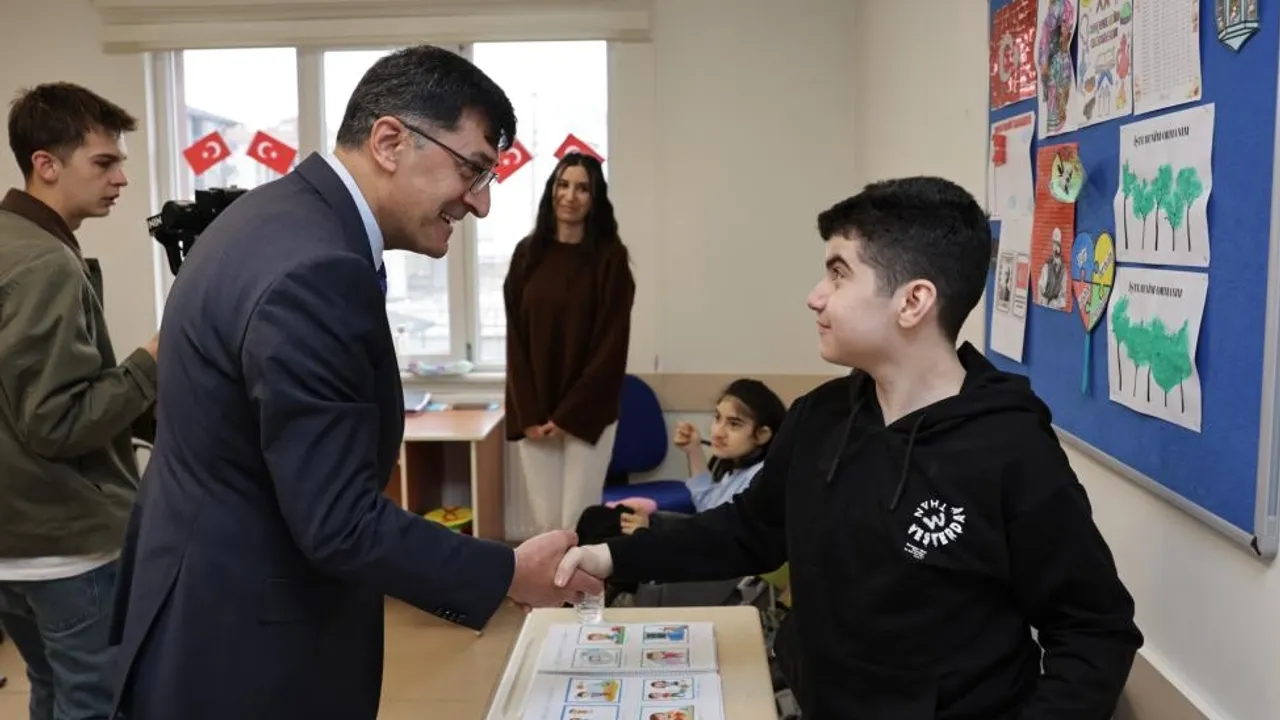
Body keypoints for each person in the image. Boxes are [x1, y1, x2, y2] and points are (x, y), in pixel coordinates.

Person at [108, 46, 599, 720]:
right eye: (472, 169)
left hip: (199, 607)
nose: (481, 203)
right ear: (390, 141)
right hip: (247, 652)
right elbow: (338, 522)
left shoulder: (268, 218)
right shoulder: (316, 269)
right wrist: (508, 572)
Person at [556, 177, 1143, 718]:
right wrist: (612, 557)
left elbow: (1094, 630)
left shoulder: (1011, 449)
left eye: (839, 274)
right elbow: (749, 530)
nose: (816, 297)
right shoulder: (820, 417)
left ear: (912, 302)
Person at [0, 82, 158, 720]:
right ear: (46, 164)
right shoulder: (45, 264)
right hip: (64, 547)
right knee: (94, 703)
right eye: (104, 162)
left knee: (51, 689)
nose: (121, 178)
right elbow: (57, 422)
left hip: (14, 542)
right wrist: (151, 362)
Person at [504, 153, 635, 533]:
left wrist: (568, 416)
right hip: (535, 413)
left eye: (582, 188)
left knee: (577, 524)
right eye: (563, 185)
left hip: (588, 414)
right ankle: (551, 581)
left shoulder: (611, 260)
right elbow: (515, 339)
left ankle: (580, 581)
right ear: (552, 191)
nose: (570, 196)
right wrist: (529, 413)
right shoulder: (527, 254)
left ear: (595, 199)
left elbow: (610, 349)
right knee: (547, 527)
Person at [575, 378, 786, 544]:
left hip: (709, 553)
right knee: (596, 518)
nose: (718, 432)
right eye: (717, 418)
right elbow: (706, 504)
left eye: (734, 424)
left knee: (605, 526)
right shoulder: (737, 471)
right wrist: (694, 451)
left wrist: (654, 527)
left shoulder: (760, 479)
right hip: (701, 538)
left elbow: (720, 532)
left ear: (763, 435)